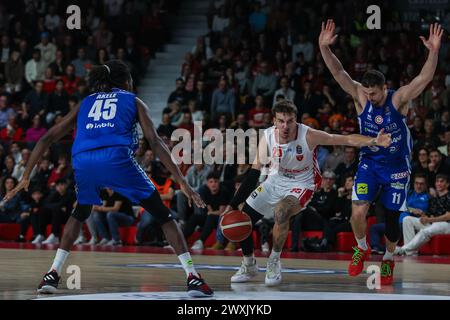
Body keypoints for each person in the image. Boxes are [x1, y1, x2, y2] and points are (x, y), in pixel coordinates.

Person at [3, 60, 213, 297]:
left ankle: (52, 274)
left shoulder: (86, 102)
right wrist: (182, 182)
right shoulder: (133, 100)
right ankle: (193, 278)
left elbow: (47, 138)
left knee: (80, 211)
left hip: (82, 159)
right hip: (116, 156)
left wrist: (26, 176)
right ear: (125, 81)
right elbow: (155, 142)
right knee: (164, 215)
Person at [319, 19, 443, 285]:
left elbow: (424, 78)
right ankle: (362, 248)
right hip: (370, 162)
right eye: (367, 93)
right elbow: (338, 73)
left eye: (374, 94)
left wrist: (433, 51)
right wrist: (324, 48)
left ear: (384, 89)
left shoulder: (398, 99)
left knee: (390, 222)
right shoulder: (361, 96)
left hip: (397, 167)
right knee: (358, 212)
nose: (369, 97)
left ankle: (388, 259)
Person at [222, 100, 391, 286]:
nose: (286, 126)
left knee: (281, 211)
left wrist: (374, 141)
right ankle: (249, 264)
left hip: (302, 184)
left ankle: (274, 261)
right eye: (281, 121)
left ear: (297, 120)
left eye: (290, 121)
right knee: (243, 218)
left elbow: (344, 139)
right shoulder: (268, 137)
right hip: (275, 180)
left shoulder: (309, 135)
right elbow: (253, 174)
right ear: (274, 121)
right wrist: (232, 204)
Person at [395, 174, 450, 255]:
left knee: (425, 231)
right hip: (433, 224)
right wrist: (424, 216)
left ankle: (404, 249)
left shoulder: (449, 196)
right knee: (407, 219)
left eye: (441, 182)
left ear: (447, 184)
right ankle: (411, 252)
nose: (439, 183)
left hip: (446, 225)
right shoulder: (434, 198)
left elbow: (447, 216)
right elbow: (430, 214)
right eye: (437, 181)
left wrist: (430, 219)